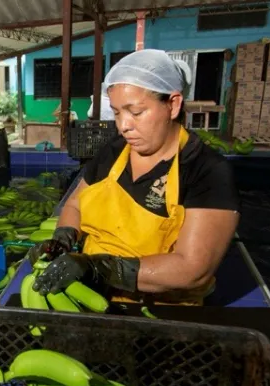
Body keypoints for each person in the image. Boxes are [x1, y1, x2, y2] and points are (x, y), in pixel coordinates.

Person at [29, 50, 239, 306]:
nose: (123, 125)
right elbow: (75, 204)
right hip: (91, 291)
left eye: (136, 112)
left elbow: (192, 269)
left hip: (160, 307)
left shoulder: (205, 170)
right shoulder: (114, 151)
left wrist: (100, 268)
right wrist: (63, 239)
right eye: (117, 113)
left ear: (172, 105)